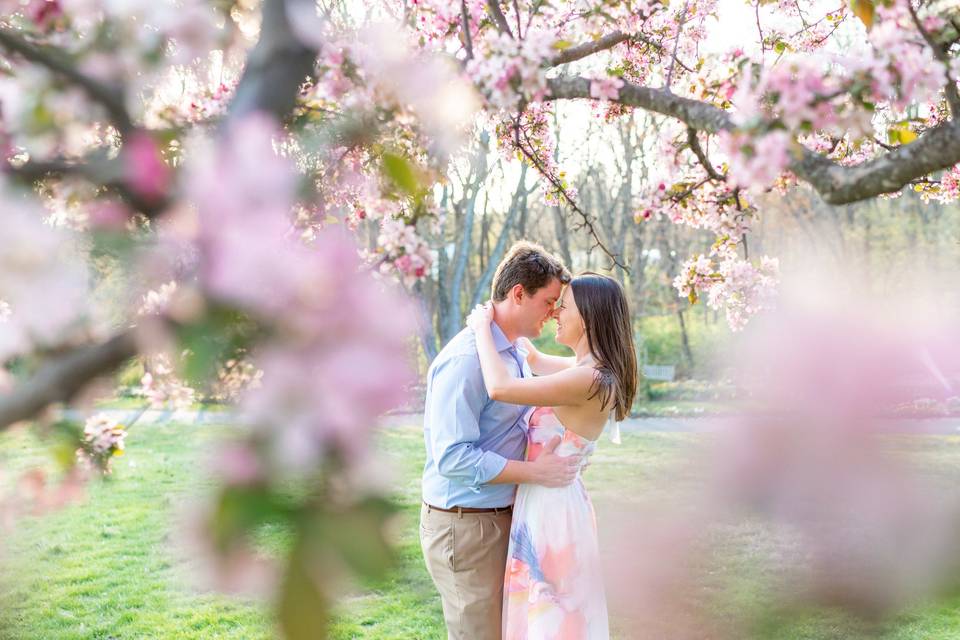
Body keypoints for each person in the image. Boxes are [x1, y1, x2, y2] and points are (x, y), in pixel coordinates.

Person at [466, 272, 638, 640]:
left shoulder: (591, 379)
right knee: (544, 617)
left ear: (590, 317)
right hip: (550, 501)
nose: (557, 312)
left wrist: (481, 328)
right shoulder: (589, 370)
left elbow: (500, 387)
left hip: (554, 513)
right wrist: (513, 320)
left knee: (553, 622)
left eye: (565, 306)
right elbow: (537, 359)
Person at [420, 241, 577, 640]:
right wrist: (536, 473)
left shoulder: (514, 353)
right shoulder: (467, 361)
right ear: (518, 293)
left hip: (503, 519)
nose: (554, 312)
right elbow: (452, 458)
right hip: (467, 527)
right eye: (549, 301)